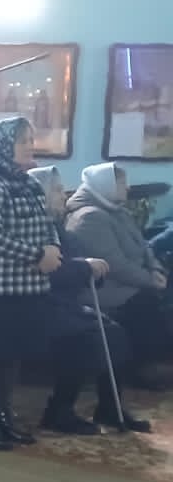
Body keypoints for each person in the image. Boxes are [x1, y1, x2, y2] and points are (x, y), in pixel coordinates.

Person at [0, 117, 63, 451]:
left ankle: (3, 414)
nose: (30, 146)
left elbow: (47, 222)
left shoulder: (27, 182)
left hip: (29, 285)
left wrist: (53, 248)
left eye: (31, 140)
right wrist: (37, 254)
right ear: (3, 146)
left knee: (12, 352)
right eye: (23, 141)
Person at [27, 167, 151, 434]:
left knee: (114, 332)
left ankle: (110, 407)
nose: (64, 195)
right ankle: (58, 411)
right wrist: (85, 267)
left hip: (64, 302)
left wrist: (92, 269)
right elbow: (51, 272)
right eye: (57, 190)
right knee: (88, 338)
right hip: (37, 303)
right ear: (40, 194)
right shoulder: (32, 228)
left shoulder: (55, 225)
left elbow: (77, 260)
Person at [62, 162, 173, 390]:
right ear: (106, 185)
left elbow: (145, 247)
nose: (128, 188)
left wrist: (155, 270)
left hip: (129, 278)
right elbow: (116, 265)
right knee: (145, 300)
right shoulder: (89, 217)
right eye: (122, 183)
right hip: (104, 287)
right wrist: (149, 280)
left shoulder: (117, 211)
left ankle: (159, 360)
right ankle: (146, 368)